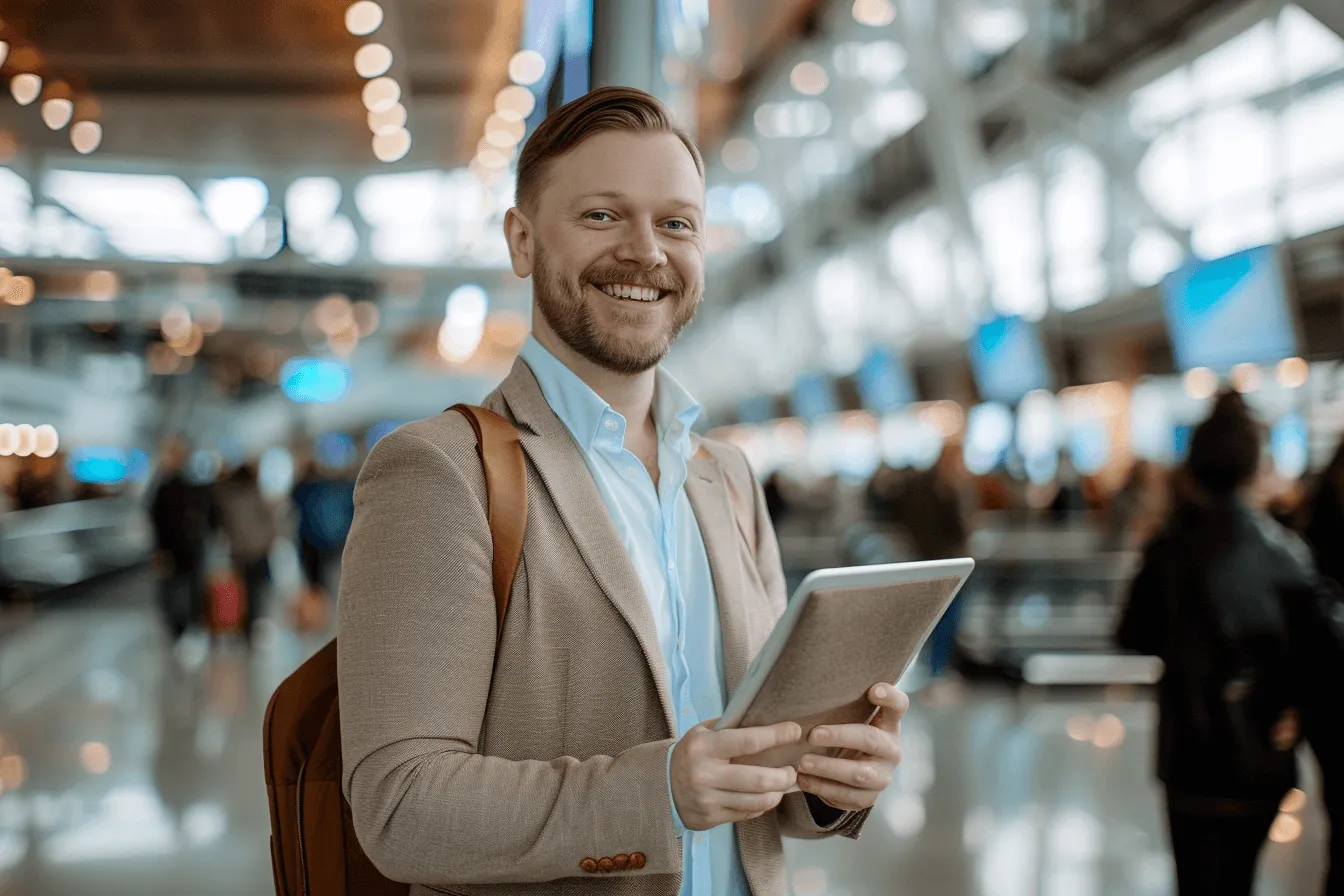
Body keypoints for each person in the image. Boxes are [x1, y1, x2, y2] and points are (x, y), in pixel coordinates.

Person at [337, 87, 905, 895]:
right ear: (522, 241)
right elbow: (401, 807)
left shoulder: (727, 477)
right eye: (602, 216)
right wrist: (659, 791)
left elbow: (758, 768)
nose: (647, 252)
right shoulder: (441, 473)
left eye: (677, 224)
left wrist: (825, 778)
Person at [1117, 392, 1305, 895]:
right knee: (1240, 877)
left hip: (1188, 753)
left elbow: (1131, 634)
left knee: (1195, 879)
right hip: (1262, 752)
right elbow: (1312, 657)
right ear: (1254, 468)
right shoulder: (1286, 556)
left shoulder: (1168, 550)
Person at [149, 439, 217, 640]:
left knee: (180, 589)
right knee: (176, 589)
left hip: (184, 548)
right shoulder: (173, 487)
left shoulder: (171, 487)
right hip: (181, 548)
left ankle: (186, 626)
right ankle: (183, 627)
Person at [213, 461, 276, 644]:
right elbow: (267, 519)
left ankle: (245, 626)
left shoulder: (226, 496)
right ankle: (253, 624)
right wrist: (269, 538)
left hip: (240, 551)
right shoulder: (255, 493)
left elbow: (224, 525)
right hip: (258, 548)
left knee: (245, 590)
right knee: (259, 588)